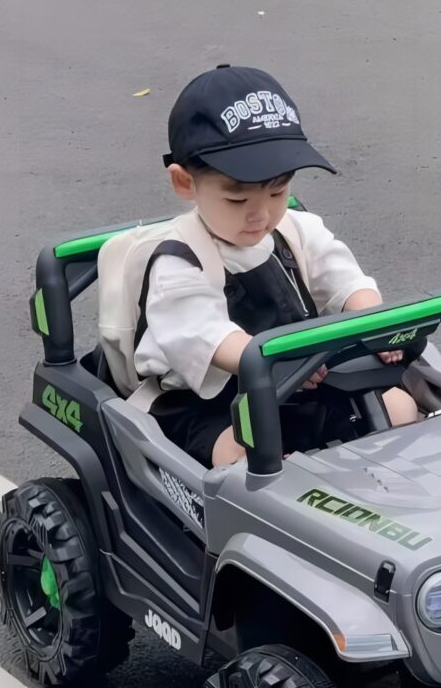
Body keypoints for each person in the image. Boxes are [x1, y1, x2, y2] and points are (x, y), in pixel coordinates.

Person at [136, 64, 419, 467]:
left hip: (300, 385)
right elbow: (209, 336)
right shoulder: (178, 263)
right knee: (244, 453)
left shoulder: (295, 230)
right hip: (207, 403)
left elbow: (344, 278)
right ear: (186, 184)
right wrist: (282, 359)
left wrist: (374, 322)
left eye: (277, 191)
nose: (260, 214)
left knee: (397, 406)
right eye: (237, 200)